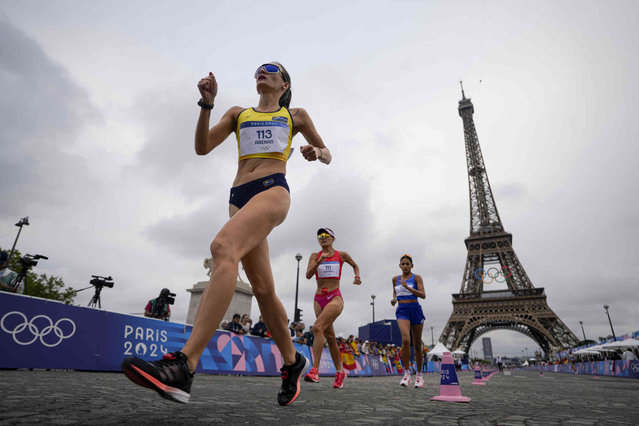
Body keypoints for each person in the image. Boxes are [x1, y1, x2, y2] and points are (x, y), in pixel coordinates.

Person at [122, 62, 331, 406]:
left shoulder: (297, 115)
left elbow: (328, 155)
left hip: (272, 189)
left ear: (285, 83)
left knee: (222, 248)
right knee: (263, 289)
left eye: (271, 69)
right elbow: (202, 147)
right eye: (259, 69)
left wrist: (316, 151)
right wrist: (206, 105)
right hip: (238, 199)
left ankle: (184, 365)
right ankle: (293, 362)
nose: (262, 72)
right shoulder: (238, 113)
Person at [303, 227, 361, 389]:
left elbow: (355, 265)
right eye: (320, 236)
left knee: (317, 327)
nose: (322, 238)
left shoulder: (341, 255)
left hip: (335, 297)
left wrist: (357, 276)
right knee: (329, 336)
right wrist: (319, 263)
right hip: (318, 299)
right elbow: (308, 275)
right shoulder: (315, 256)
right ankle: (339, 371)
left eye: (326, 236)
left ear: (333, 238)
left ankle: (314, 370)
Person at [391, 254, 426, 388]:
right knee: (405, 340)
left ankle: (419, 375)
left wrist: (409, 288)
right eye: (403, 264)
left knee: (417, 345)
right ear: (399, 266)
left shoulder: (416, 278)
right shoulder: (395, 279)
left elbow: (423, 295)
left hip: (415, 309)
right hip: (402, 311)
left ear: (412, 266)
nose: (405, 266)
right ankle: (406, 373)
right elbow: (395, 292)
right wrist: (394, 299)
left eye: (407, 264)